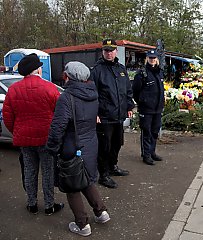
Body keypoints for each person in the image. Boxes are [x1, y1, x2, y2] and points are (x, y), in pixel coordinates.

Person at [46, 61, 110, 236]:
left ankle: (82, 225)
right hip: (90, 144)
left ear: (69, 76)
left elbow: (58, 127)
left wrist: (51, 148)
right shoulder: (93, 93)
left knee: (72, 185)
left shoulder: (66, 98)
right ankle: (101, 212)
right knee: (87, 178)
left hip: (71, 146)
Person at [2, 53, 64, 215]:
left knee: (29, 171)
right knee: (48, 172)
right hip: (46, 138)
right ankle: (49, 205)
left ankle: (32, 204)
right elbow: (59, 115)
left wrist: (17, 131)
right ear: (37, 70)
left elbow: (8, 117)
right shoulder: (50, 88)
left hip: (25, 139)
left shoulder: (13, 90)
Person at [90, 38, 134, 188]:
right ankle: (103, 174)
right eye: (106, 51)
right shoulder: (96, 70)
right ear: (102, 52)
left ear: (116, 51)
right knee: (104, 147)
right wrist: (94, 113)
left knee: (117, 143)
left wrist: (129, 106)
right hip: (104, 117)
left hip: (119, 115)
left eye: (111, 50)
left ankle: (113, 166)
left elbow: (127, 90)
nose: (109, 53)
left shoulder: (121, 69)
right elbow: (92, 94)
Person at [132, 50, 165, 165]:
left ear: (157, 59)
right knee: (146, 132)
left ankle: (152, 152)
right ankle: (146, 155)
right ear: (147, 59)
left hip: (157, 109)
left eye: (154, 58)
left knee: (155, 132)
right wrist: (142, 102)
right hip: (146, 109)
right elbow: (135, 91)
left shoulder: (159, 72)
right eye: (150, 58)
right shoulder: (142, 74)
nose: (152, 60)